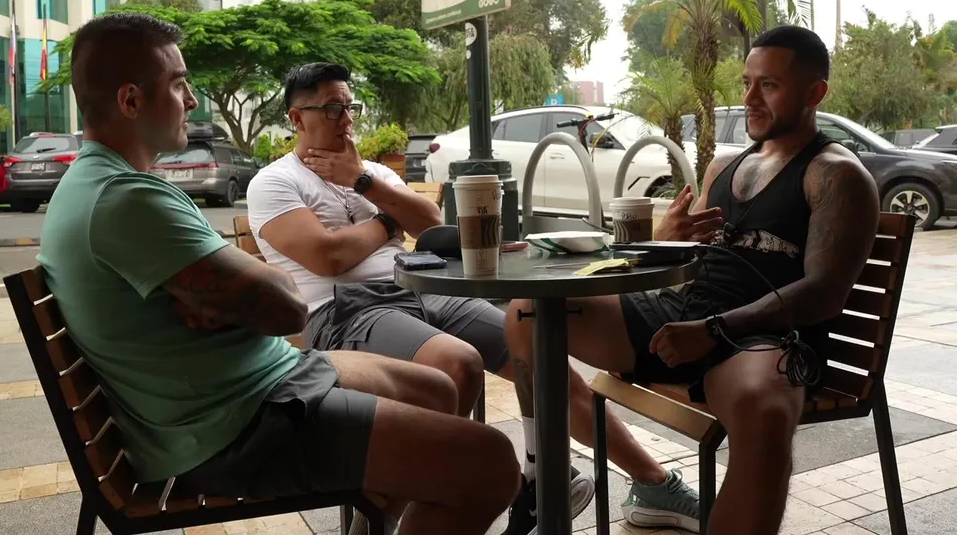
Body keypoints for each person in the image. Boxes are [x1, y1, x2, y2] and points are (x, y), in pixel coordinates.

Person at [37, 13, 522, 535]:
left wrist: (231, 295)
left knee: (436, 389)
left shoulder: (104, 185)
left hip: (257, 383)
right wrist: (245, 291)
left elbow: (270, 293)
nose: (192, 100)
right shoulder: (124, 199)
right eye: (178, 85)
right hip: (235, 423)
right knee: (491, 465)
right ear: (130, 101)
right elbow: (287, 308)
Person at [253, 62, 663, 534]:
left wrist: (364, 183)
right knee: (457, 363)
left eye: (349, 107)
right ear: (296, 118)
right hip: (344, 310)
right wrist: (388, 219)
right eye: (331, 108)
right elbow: (329, 257)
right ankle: (382, 517)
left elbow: (432, 225)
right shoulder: (275, 181)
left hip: (423, 287)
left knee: (538, 348)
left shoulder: (372, 174)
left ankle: (642, 482)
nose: (346, 119)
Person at [505, 25, 881, 534]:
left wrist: (714, 330)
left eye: (769, 85)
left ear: (815, 93)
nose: (749, 98)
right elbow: (679, 260)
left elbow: (824, 292)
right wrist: (665, 238)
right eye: (747, 82)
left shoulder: (834, 174)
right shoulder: (724, 167)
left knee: (764, 407)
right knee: (527, 314)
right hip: (686, 316)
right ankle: (555, 474)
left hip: (760, 339)